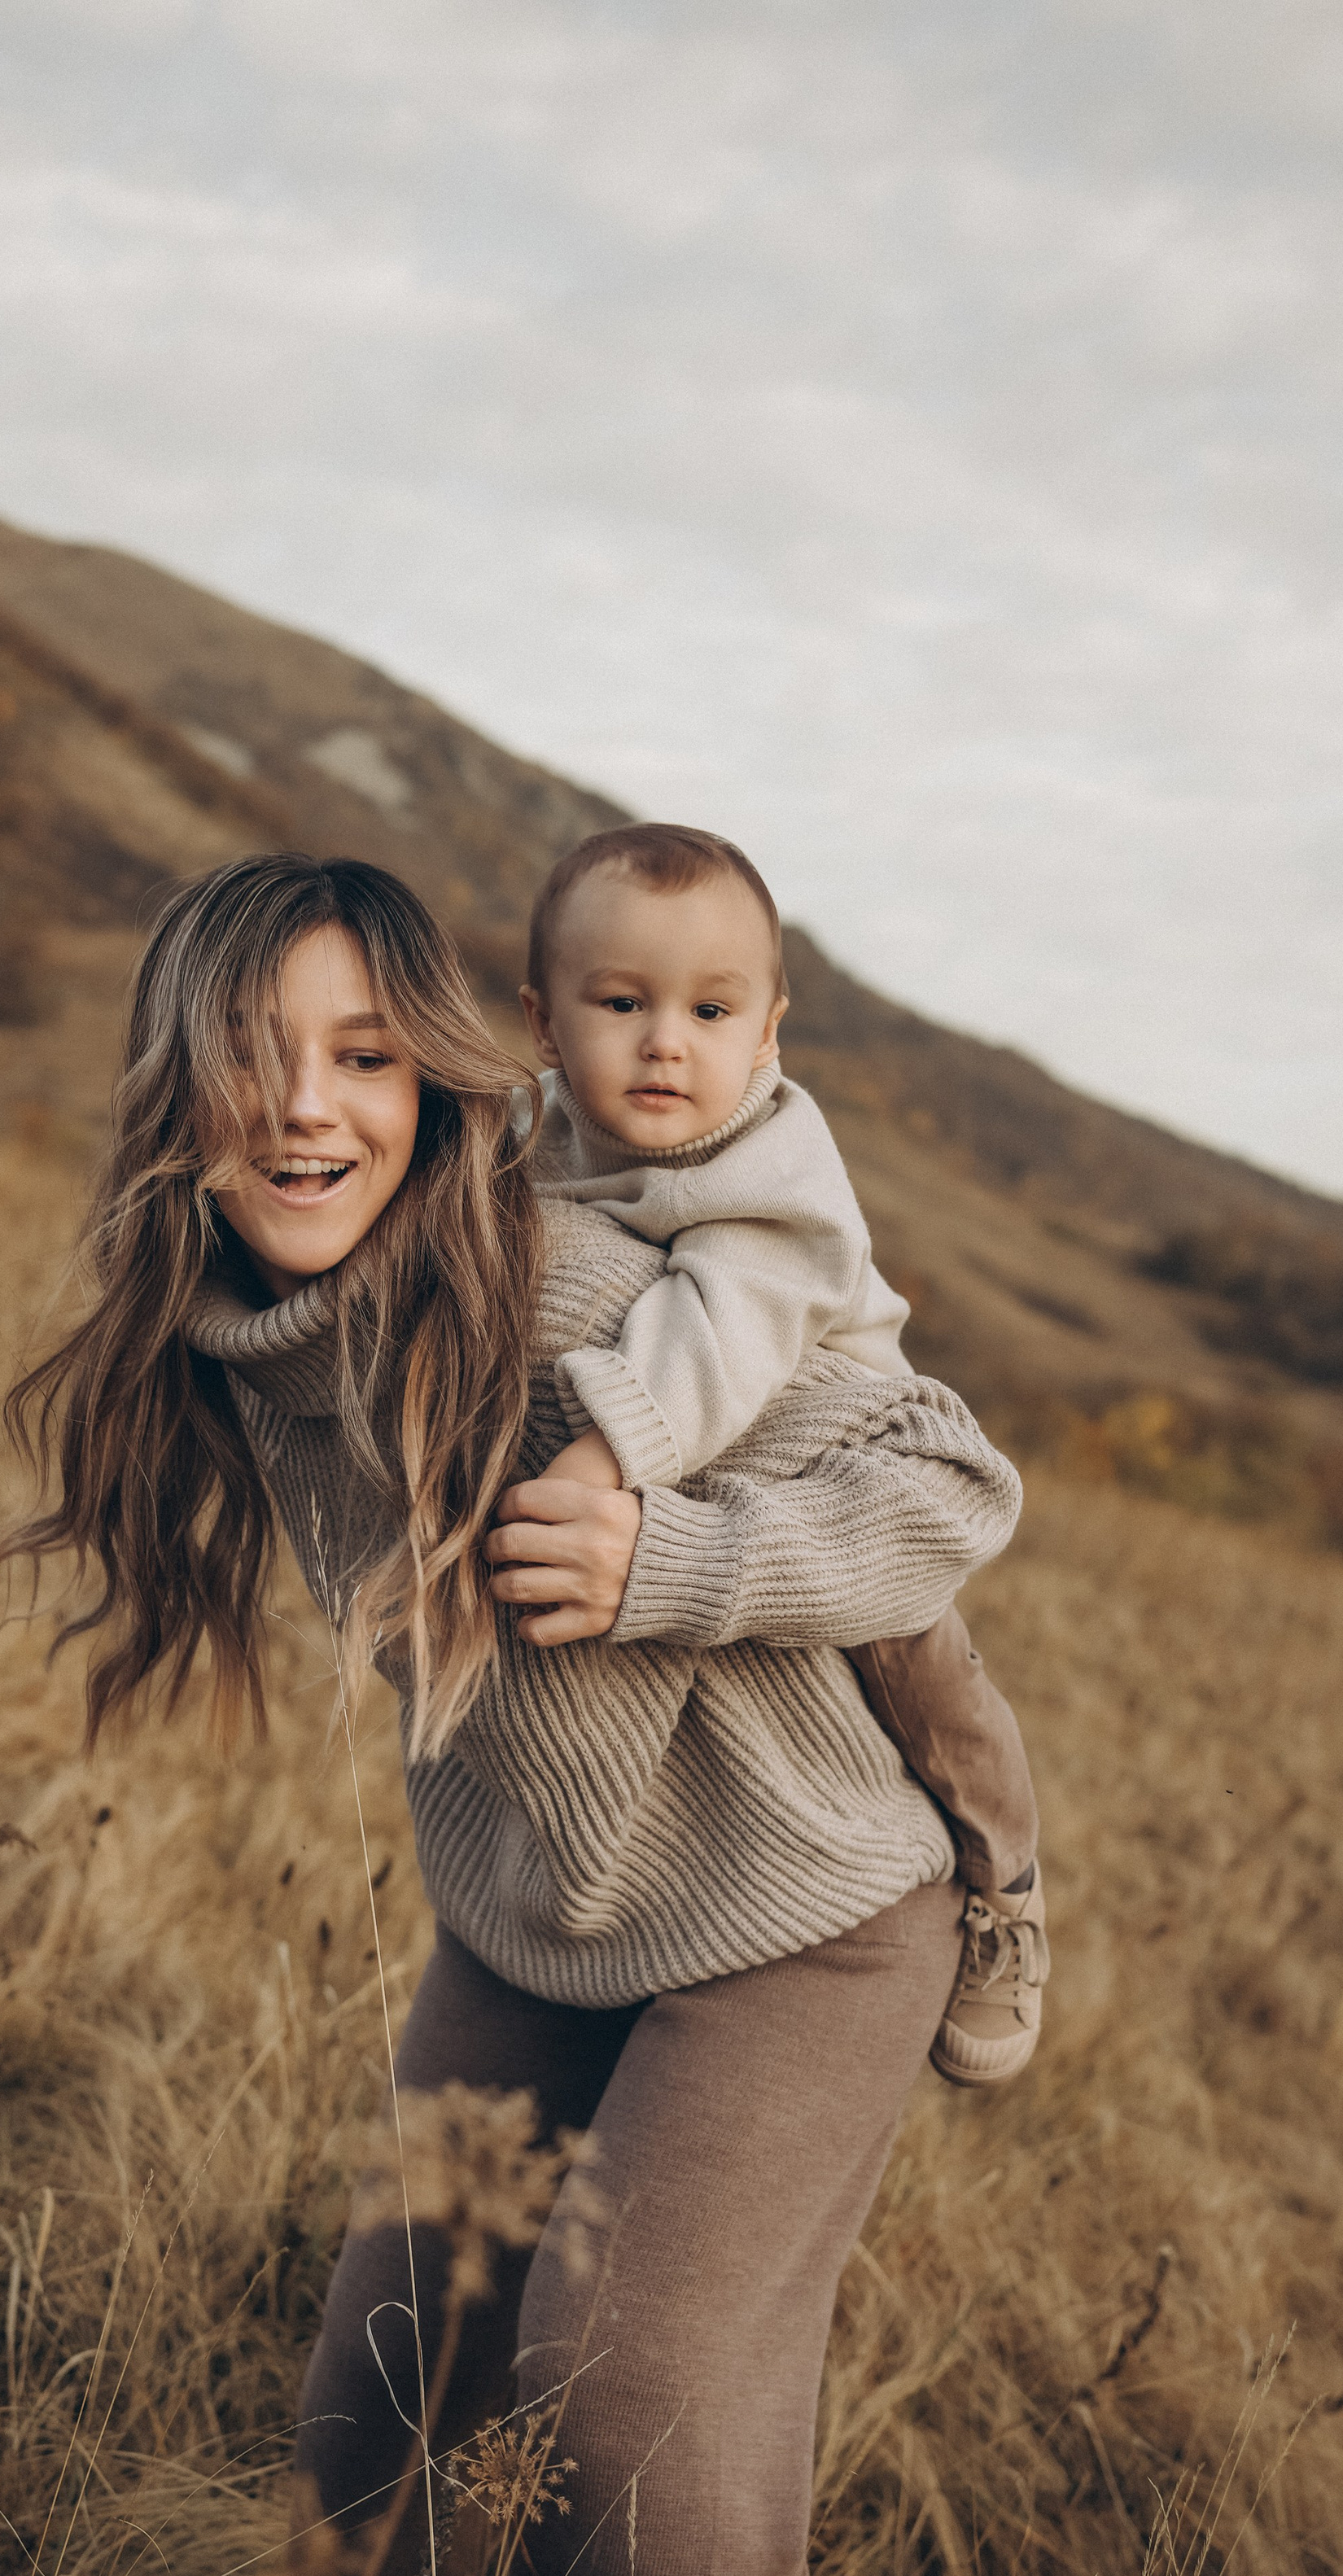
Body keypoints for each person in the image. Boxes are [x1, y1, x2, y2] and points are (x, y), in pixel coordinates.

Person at [0, 851, 1025, 2576]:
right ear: (171, 1089)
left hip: (800, 1919)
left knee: (620, 2391)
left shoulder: (563, 1289)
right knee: (382, 2391)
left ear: (439, 1085)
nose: (306, 1106)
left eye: (364, 1057)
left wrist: (669, 1561)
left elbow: (950, 1484)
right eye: (251, 1055)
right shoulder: (238, 1325)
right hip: (542, 1920)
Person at [518, 821, 1048, 2085]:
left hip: (833, 1472)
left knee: (926, 1683)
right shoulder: (536, 1129)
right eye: (622, 1002)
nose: (667, 1040)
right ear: (544, 1024)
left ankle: (1004, 1882)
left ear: (767, 1032)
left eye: (711, 1008)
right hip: (697, 1462)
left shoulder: (774, 1161)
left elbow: (720, 1332)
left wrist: (592, 1466)